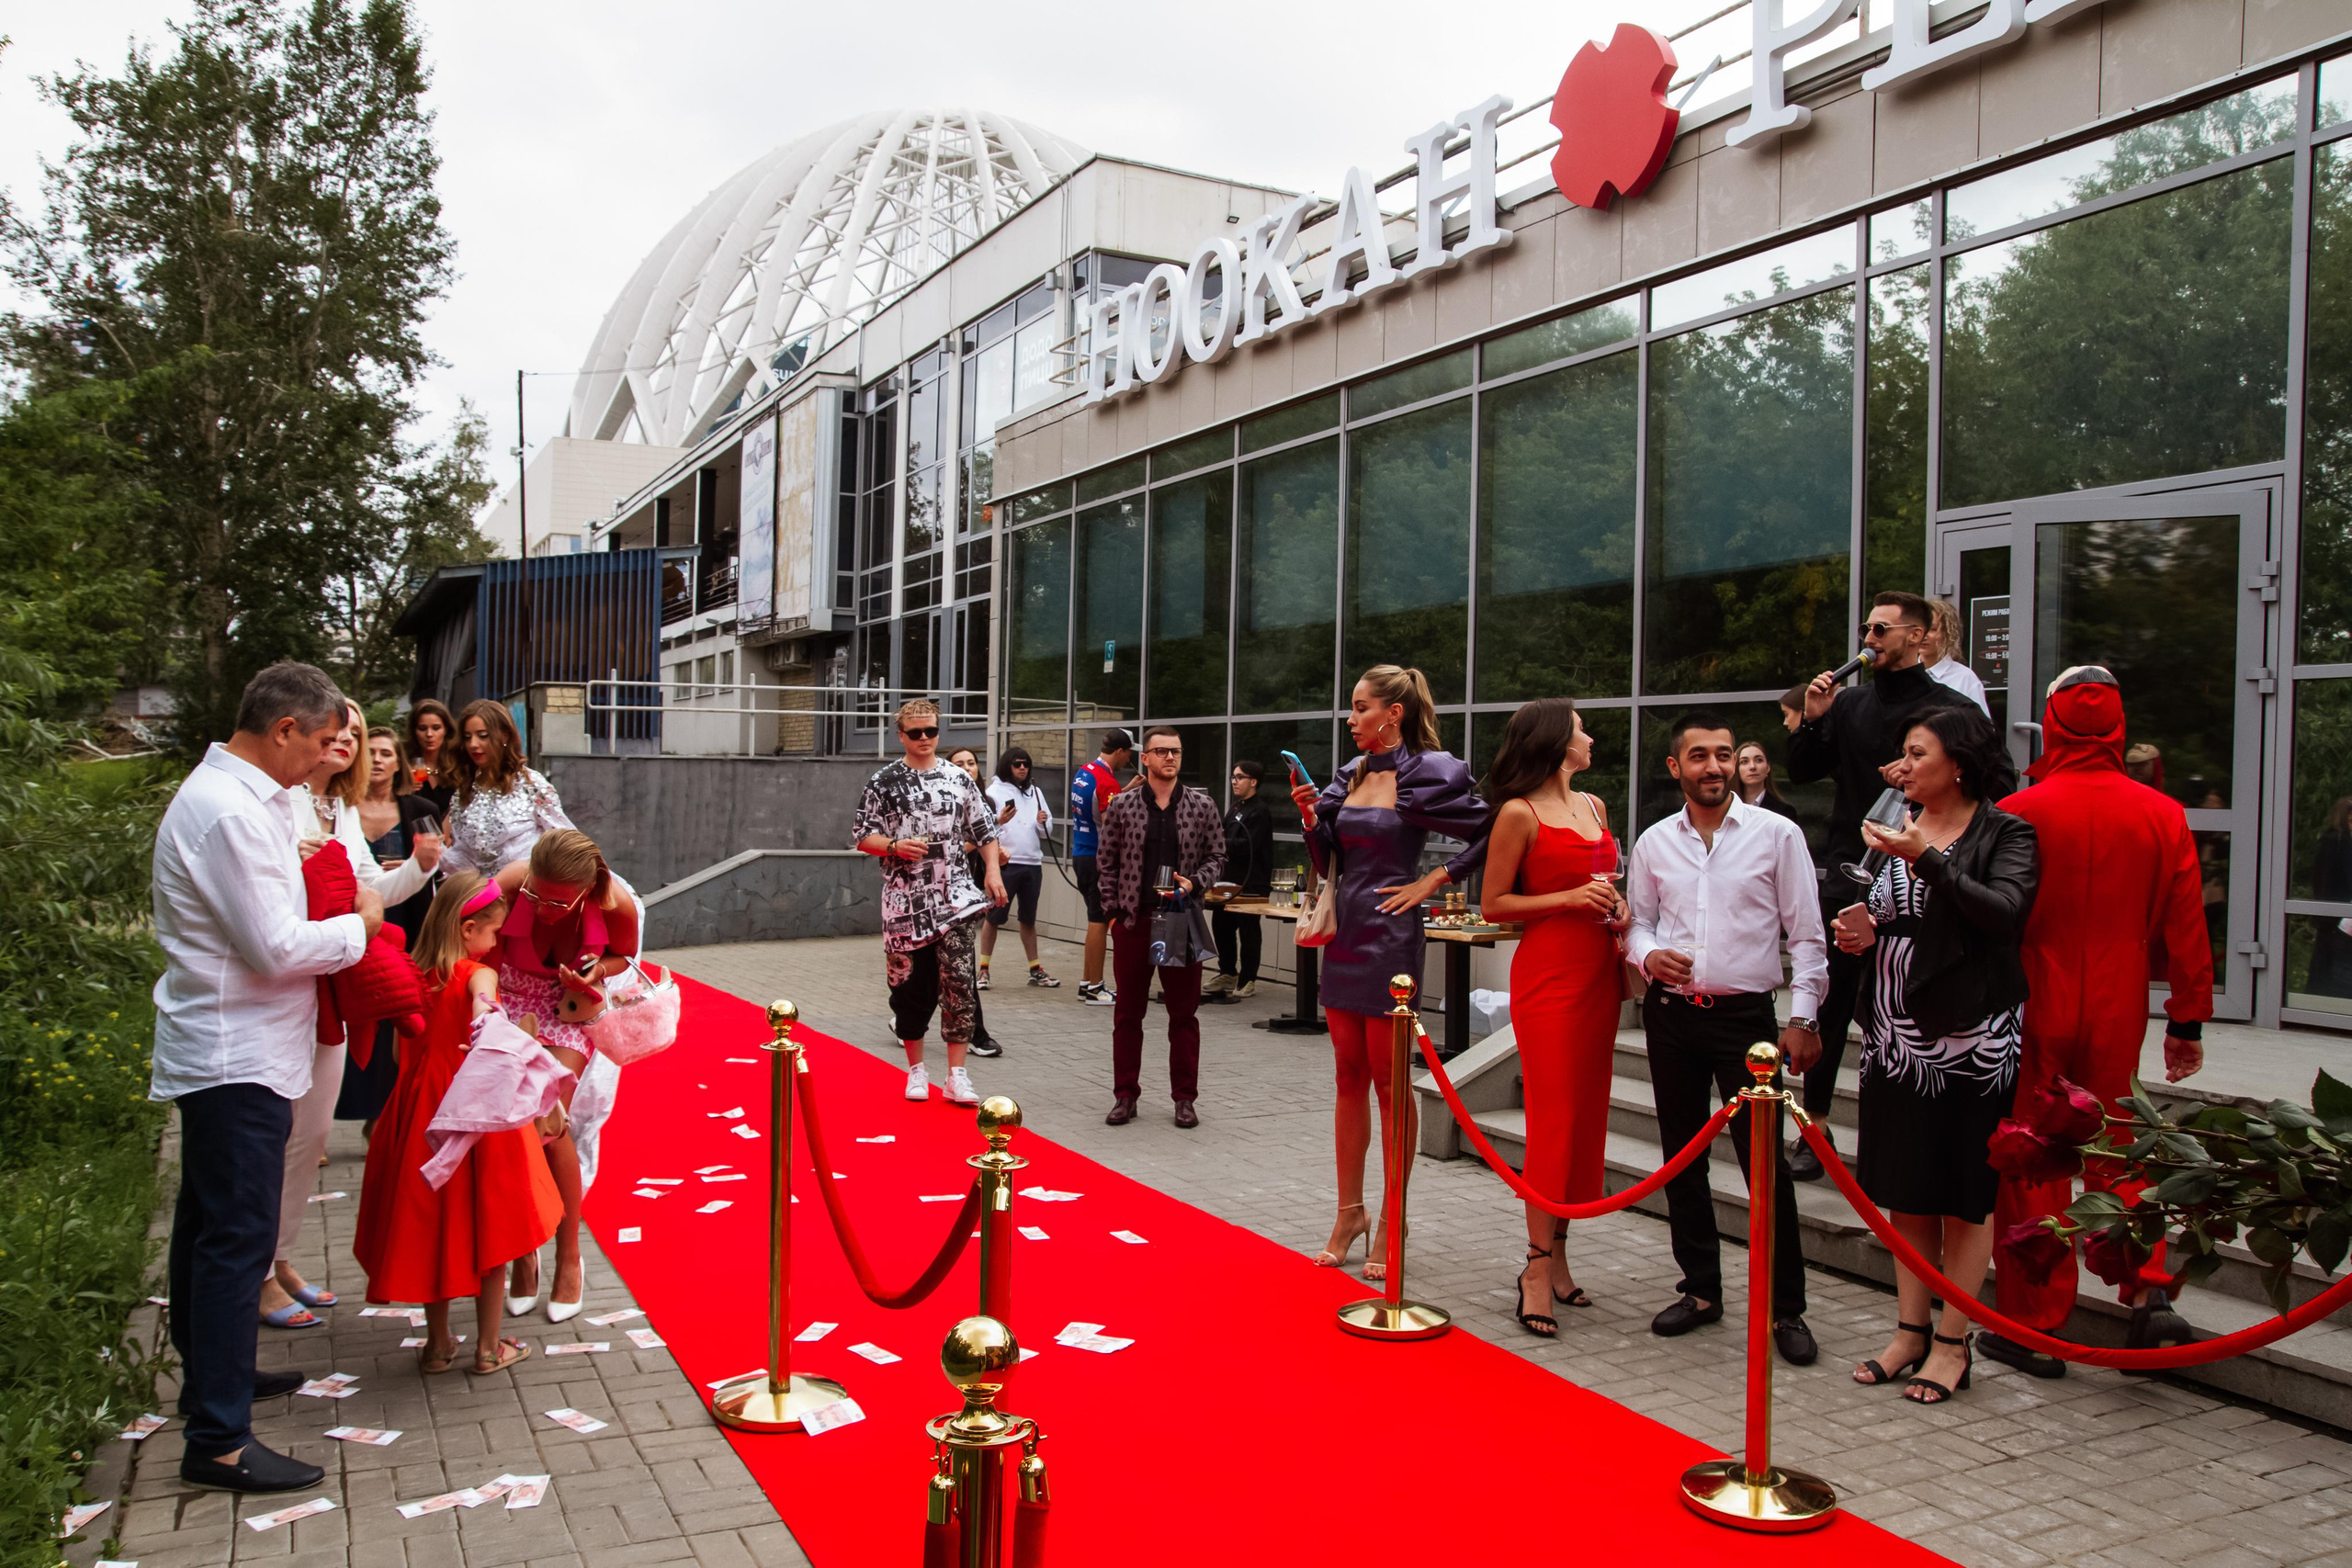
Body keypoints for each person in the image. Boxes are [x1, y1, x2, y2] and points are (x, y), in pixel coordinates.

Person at [152, 660, 381, 1494]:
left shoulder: (251, 799)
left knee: (209, 1227)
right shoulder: (228, 811)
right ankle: (217, 1437)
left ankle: (218, 1377)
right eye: (322, 741)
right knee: (234, 1237)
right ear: (284, 729)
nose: (327, 757)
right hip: (233, 1053)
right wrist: (358, 929)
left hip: (245, 1045)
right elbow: (275, 946)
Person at [1984, 667, 2214, 1375]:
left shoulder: (2019, 808)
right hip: (2119, 995)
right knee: (2121, 1148)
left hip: (2037, 991)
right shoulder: (2162, 813)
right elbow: (2187, 925)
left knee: (2033, 1154)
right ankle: (2147, 1292)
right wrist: (2187, 1020)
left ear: (2052, 722)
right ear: (2118, 726)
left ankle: (2034, 1321)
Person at [1833, 706, 2038, 1405]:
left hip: (1971, 1041)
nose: (1904, 765)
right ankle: (1909, 1330)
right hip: (1895, 1039)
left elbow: (2002, 914)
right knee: (1907, 1190)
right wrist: (1866, 927)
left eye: (1917, 753)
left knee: (1963, 1195)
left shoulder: (2007, 832)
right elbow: (1899, 913)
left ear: (1958, 763)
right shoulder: (1899, 822)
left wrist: (1926, 858)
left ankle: (1954, 1341)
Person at [1625, 712, 1826, 1366]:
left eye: (1723, 754)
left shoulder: (1778, 835)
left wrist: (1804, 1017)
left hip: (1747, 1024)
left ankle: (1785, 1306)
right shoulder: (1655, 841)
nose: (1714, 766)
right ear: (1675, 767)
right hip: (1672, 1016)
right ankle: (1701, 1289)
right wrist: (1649, 955)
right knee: (1682, 1159)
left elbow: (1807, 935)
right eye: (1699, 756)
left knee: (1765, 1166)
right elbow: (1638, 923)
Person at [1288, 665, 1489, 1276]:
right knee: (1347, 1074)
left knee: (1389, 1082)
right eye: (1352, 708)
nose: (1351, 719)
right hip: (1345, 933)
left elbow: (1491, 828)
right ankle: (1349, 1212)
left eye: (1360, 708)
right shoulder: (1349, 774)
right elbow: (1328, 857)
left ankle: (1393, 1217)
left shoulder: (1428, 771)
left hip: (1394, 939)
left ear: (1393, 713)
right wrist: (1310, 819)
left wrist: (1434, 879)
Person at [264, 702, 442, 1332]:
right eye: (337, 729)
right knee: (278, 1132)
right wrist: (296, 863)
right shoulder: (277, 800)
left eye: (357, 733)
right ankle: (258, 1275)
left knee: (311, 1134)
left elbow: (371, 891)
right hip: (282, 985)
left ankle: (280, 1259)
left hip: (331, 985)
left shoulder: (336, 808)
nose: (346, 740)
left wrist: (420, 868)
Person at [1784, 590, 1974, 1180]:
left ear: (1919, 635)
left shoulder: (1951, 708)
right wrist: (1814, 718)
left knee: (1905, 999)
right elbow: (1803, 770)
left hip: (1921, 871)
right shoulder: (1850, 703)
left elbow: (1984, 783)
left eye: (1881, 629)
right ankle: (1814, 1128)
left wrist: (1919, 775)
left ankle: (1909, 1131)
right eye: (1867, 628)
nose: (1869, 639)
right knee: (1834, 997)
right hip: (1851, 864)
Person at [354, 872, 563, 1376]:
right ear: (468, 930)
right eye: (492, 933)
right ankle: (488, 1348)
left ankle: (437, 1345)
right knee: (492, 1225)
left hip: (417, 1112)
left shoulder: (413, 972)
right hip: (473, 1111)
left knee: (432, 1221)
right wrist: (488, 1026)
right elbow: (484, 1006)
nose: (495, 943)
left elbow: (399, 1049)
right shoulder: (477, 973)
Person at [1477, 699, 1627, 1337]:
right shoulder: (1519, 812)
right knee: (1553, 1120)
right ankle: (1535, 1267)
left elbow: (1603, 883)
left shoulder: (1594, 805)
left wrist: (1618, 907)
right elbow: (1493, 904)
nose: (1590, 737)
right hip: (1549, 978)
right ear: (1557, 740)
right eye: (1581, 728)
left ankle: (1560, 1254)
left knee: (1585, 1117)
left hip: (1599, 973)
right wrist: (1568, 897)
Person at [486, 828, 642, 1323]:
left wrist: (596, 971)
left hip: (565, 1007)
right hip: (505, 998)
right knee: (506, 1128)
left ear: (586, 890)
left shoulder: (615, 904)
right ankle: (523, 1250)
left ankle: (568, 1254)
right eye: (536, 896)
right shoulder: (508, 885)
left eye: (558, 903)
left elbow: (623, 957)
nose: (543, 909)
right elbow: (473, 944)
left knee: (548, 1120)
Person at [854, 700, 1007, 1108]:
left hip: (955, 900)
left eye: (931, 731)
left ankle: (957, 1075)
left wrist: (992, 872)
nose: (924, 738)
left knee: (960, 986)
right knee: (909, 989)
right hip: (904, 905)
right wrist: (893, 845)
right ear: (901, 735)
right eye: (916, 732)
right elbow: (862, 835)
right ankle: (916, 1070)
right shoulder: (884, 781)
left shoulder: (958, 778)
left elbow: (985, 830)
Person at [1096, 726, 1225, 1129]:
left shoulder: (1201, 806)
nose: (1170, 757)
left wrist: (1196, 882)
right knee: (1127, 1014)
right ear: (1145, 758)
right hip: (1134, 920)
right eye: (1162, 751)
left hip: (1181, 919)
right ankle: (1125, 1096)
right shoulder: (1123, 805)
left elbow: (1217, 855)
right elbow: (1106, 862)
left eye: (1176, 752)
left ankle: (1185, 1099)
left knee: (1183, 1015)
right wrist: (1114, 915)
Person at [333, 727, 445, 1133]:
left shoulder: (418, 807)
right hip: (351, 918)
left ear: (399, 762)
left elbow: (435, 859)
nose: (377, 760)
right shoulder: (341, 806)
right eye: (371, 752)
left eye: (386, 753)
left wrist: (421, 864)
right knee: (348, 1011)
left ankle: (380, 1115)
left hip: (403, 916)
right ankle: (330, 1113)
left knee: (392, 1016)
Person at [438, 699, 574, 877]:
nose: (473, 744)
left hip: (528, 887)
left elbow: (565, 839)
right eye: (467, 737)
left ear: (505, 736)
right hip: (482, 891)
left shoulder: (531, 784)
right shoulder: (463, 794)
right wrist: (428, 859)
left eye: (483, 735)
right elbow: (463, 858)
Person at [944, 748, 1005, 1058]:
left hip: (968, 895)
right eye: (959, 764)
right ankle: (907, 1018)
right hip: (937, 893)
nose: (967, 768)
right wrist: (980, 844)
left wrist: (996, 860)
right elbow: (947, 848)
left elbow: (989, 842)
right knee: (940, 966)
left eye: (972, 763)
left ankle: (975, 1033)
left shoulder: (986, 802)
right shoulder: (940, 799)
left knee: (960, 966)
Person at [980, 746, 1058, 990]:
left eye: (1026, 764)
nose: (1023, 768)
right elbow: (984, 828)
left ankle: (1035, 969)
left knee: (1028, 918)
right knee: (994, 917)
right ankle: (983, 970)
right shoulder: (993, 792)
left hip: (1032, 863)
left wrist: (1042, 822)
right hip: (1007, 864)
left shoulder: (1035, 792)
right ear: (1008, 766)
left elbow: (1046, 830)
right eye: (1017, 764)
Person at [1069, 728, 1134, 1006]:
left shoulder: (1084, 772)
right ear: (1119, 751)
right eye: (1128, 754)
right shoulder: (1107, 780)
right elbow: (1111, 825)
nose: (1129, 760)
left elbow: (1098, 804)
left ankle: (1087, 983)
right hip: (1098, 858)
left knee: (1093, 920)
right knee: (1099, 922)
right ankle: (1096, 988)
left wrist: (1125, 791)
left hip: (1080, 854)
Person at [1208, 761, 1275, 998]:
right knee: (1222, 926)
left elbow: (1248, 845)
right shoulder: (1236, 807)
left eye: (1240, 777)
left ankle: (1248, 978)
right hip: (1228, 882)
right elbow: (1222, 835)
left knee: (1248, 931)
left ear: (1253, 781)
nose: (1234, 781)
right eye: (1233, 777)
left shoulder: (1260, 811)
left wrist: (1219, 843)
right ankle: (1227, 972)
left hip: (1251, 882)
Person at [1920, 598, 1991, 716]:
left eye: (1933, 629)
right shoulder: (1904, 674)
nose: (1924, 635)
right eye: (1920, 629)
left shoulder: (1965, 678)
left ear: (1948, 632)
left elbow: (1981, 724)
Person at [405, 697, 458, 816]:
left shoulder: (458, 765)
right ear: (414, 731)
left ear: (446, 729)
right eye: (422, 729)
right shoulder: (404, 765)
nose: (429, 734)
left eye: (436, 728)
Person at [1734, 740, 1796, 818]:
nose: (1752, 766)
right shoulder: (1727, 808)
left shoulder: (1784, 812)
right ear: (1736, 769)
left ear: (1768, 767)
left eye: (1759, 760)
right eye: (1744, 762)